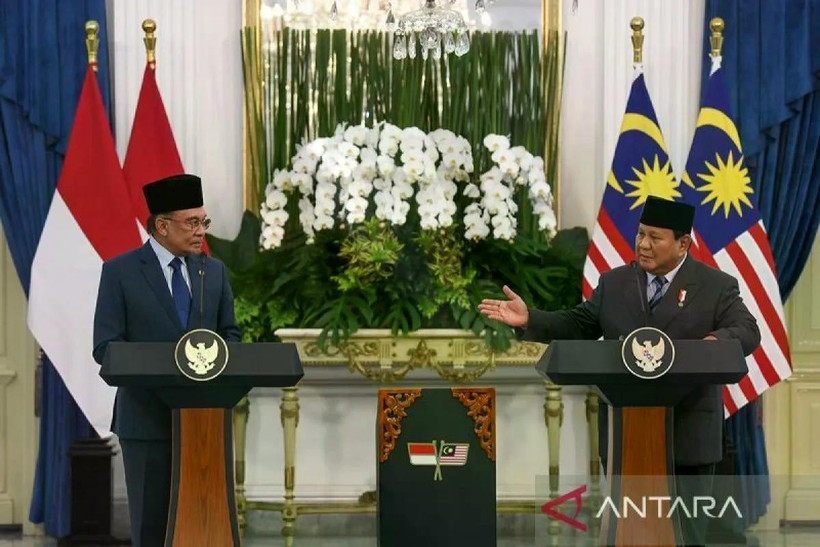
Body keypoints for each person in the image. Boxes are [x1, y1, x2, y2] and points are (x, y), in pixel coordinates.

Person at [478, 195, 760, 545]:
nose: (643, 244)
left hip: (688, 438)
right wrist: (531, 318)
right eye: (640, 234)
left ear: (682, 243)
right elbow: (579, 324)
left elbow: (748, 330)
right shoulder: (614, 283)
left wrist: (714, 344)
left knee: (687, 538)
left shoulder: (717, 285)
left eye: (655, 238)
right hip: (624, 440)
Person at [92, 174, 241, 546]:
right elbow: (105, 346)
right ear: (162, 225)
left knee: (205, 525)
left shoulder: (214, 272)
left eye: (203, 222)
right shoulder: (120, 272)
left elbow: (231, 336)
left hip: (204, 421)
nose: (201, 231)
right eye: (192, 222)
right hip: (145, 421)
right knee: (151, 527)